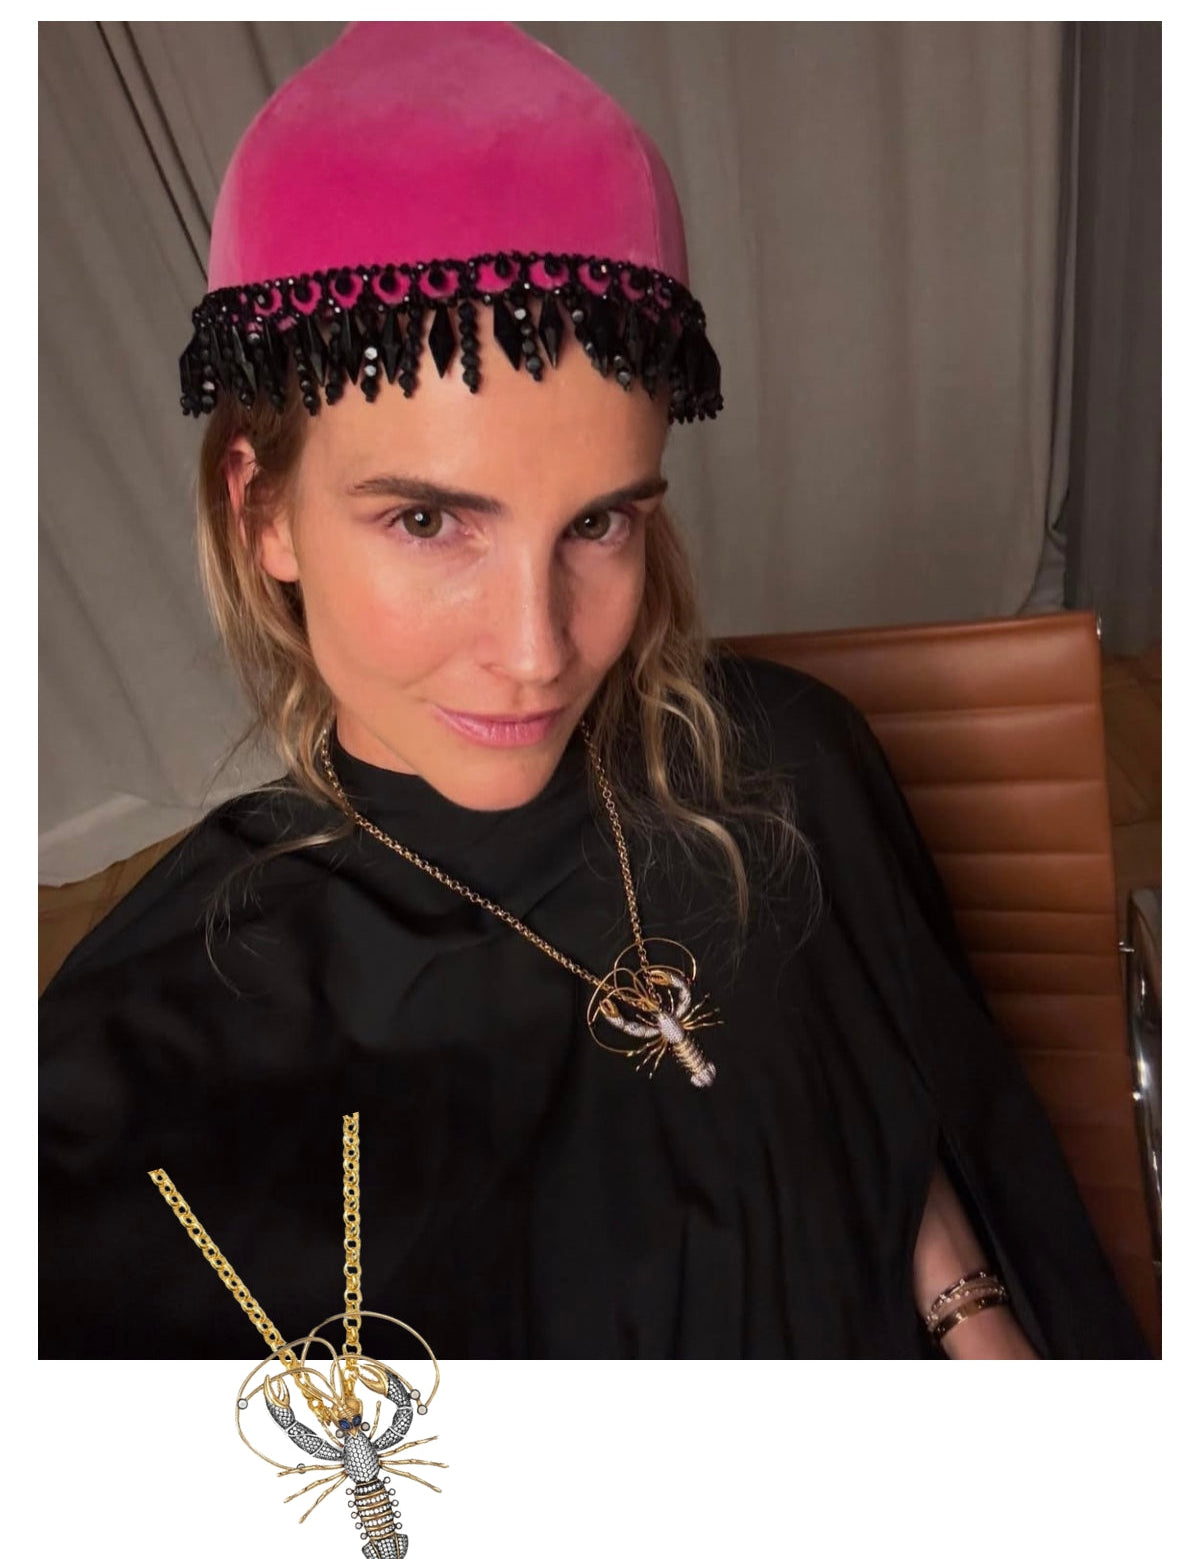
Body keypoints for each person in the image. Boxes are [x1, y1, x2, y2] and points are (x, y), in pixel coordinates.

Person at [40, 21, 1146, 1360]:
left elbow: (896, 1093)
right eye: (428, 522)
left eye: (598, 522)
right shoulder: (133, 1054)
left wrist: (969, 1308)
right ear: (262, 511)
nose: (536, 651)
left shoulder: (788, 758)